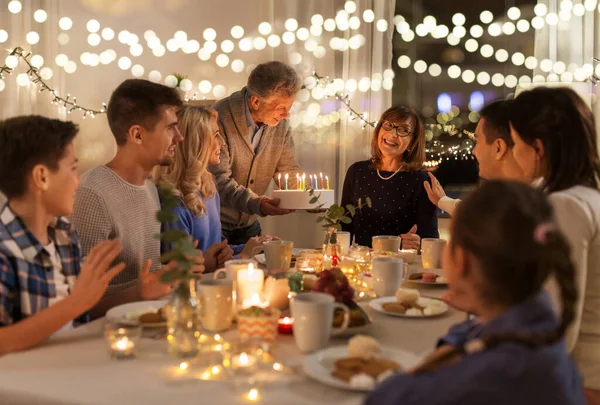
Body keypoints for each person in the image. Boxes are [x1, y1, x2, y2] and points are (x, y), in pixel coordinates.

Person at [365, 181, 584, 405]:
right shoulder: (536, 323)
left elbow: (382, 398)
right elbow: (470, 334)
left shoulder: (482, 378)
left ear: (462, 261)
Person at [71, 79, 205, 317]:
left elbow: (145, 279)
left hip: (152, 325)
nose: (179, 137)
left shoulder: (150, 188)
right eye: (169, 128)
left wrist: (173, 272)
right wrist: (139, 293)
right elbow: (79, 305)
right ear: (137, 135)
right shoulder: (93, 193)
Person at [0, 116, 126, 355]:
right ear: (42, 177)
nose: (78, 182)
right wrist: (75, 303)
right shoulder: (4, 248)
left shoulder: (63, 236)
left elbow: (75, 322)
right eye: (72, 169)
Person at [508, 86, 600, 399]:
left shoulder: (566, 206)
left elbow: (558, 326)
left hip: (581, 379)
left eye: (515, 143)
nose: (513, 153)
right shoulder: (585, 195)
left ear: (538, 148)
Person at [154, 105, 274, 272]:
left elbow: (215, 254)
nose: (222, 143)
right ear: (195, 142)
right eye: (216, 135)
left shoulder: (207, 189)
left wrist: (254, 247)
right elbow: (179, 274)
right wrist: (243, 256)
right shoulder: (174, 204)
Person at [210, 61, 301, 245]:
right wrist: (257, 203)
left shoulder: (280, 124)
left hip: (250, 225)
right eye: (281, 108)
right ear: (256, 102)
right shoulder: (220, 118)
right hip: (216, 224)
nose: (286, 115)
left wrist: (309, 198)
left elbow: (287, 168)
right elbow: (218, 180)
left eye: (289, 108)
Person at [340, 106, 438, 249]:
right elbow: (344, 227)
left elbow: (431, 240)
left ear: (412, 142)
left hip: (401, 264)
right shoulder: (357, 171)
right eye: (388, 125)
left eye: (403, 130)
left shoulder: (421, 180)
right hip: (361, 263)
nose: (393, 133)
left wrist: (419, 244)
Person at [423, 99, 523, 217]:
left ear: (498, 148)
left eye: (477, 142)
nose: (474, 152)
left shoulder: (529, 211)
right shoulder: (513, 197)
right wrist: (442, 201)